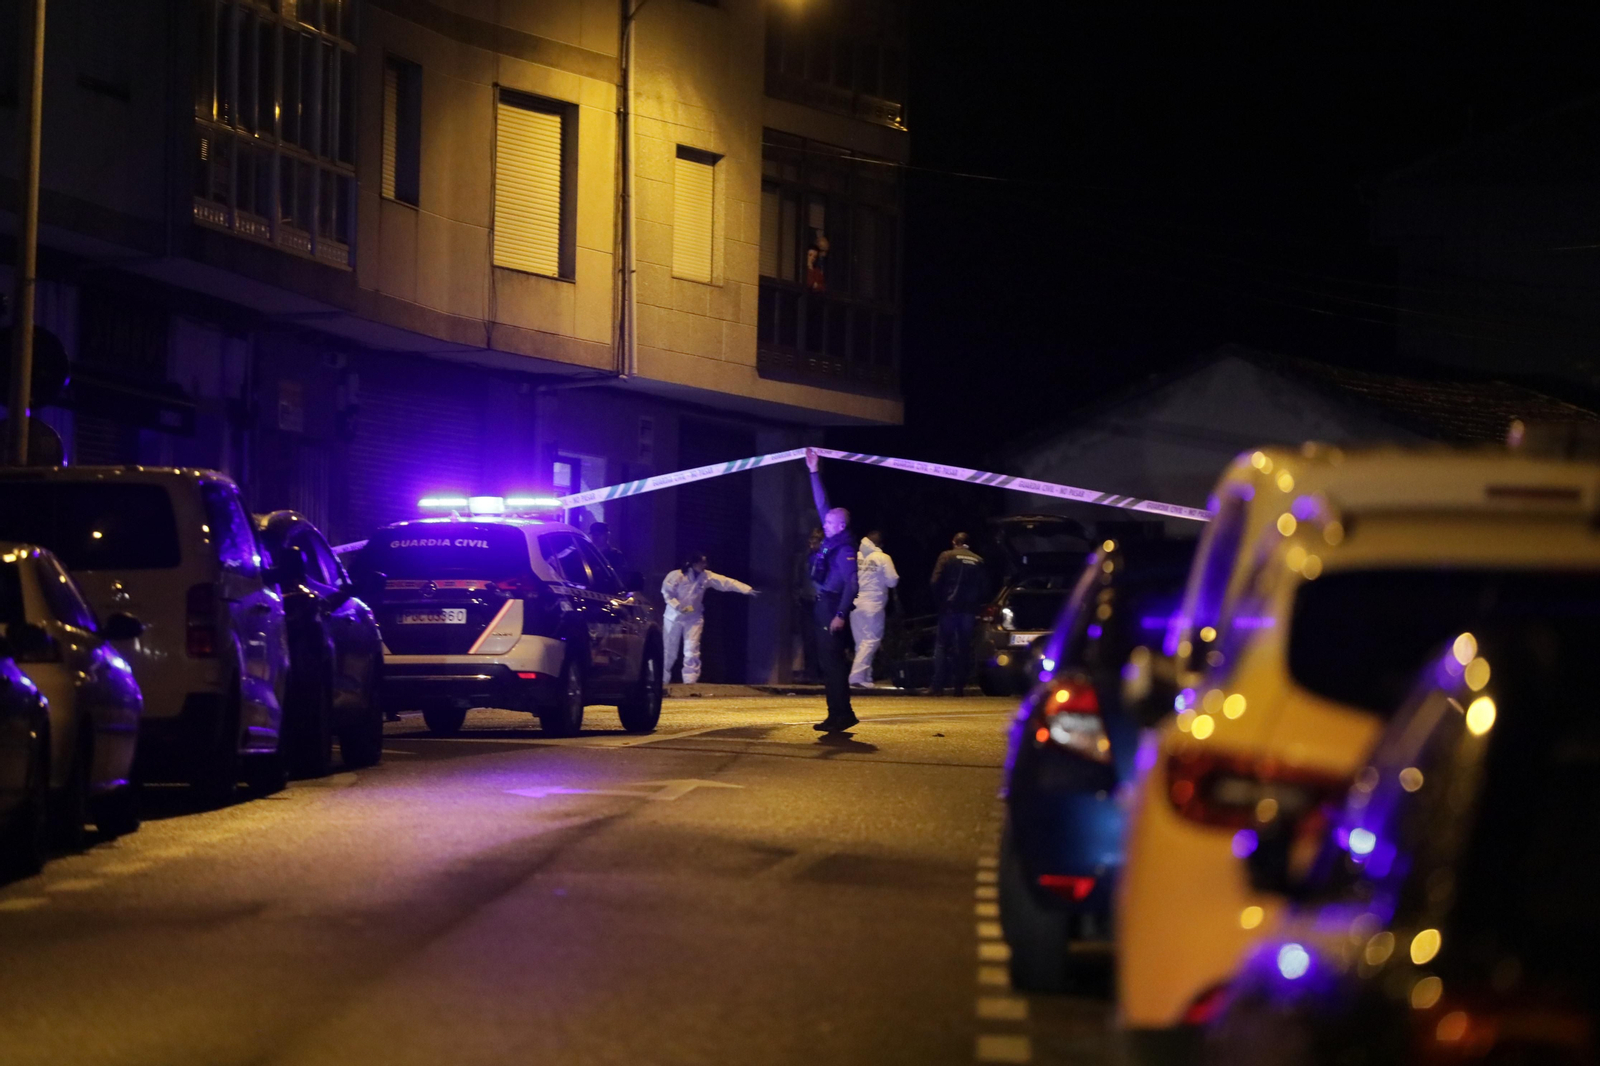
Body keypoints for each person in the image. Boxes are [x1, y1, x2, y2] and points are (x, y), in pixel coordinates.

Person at [805, 448, 859, 731]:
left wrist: (840, 613)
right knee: (827, 662)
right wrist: (814, 471)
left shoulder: (844, 548)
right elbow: (822, 503)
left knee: (833, 663)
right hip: (823, 603)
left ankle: (841, 713)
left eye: (829, 521)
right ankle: (836, 712)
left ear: (840, 525)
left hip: (832, 605)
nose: (824, 522)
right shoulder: (834, 539)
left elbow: (852, 583)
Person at [661, 551, 758, 685]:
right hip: (673, 617)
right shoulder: (676, 575)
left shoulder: (706, 576)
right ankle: (661, 682)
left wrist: (746, 589)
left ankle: (690, 683)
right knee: (669, 651)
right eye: (702, 562)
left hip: (693, 618)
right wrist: (677, 606)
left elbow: (725, 582)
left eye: (705, 562)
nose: (705, 565)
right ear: (693, 563)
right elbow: (667, 593)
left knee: (692, 650)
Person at [929, 531, 990, 697]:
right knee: (963, 647)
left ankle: (938, 686)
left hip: (949, 608)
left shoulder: (947, 556)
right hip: (968, 611)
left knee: (942, 645)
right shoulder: (978, 560)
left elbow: (935, 581)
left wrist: (940, 601)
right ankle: (959, 687)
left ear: (954, 541)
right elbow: (984, 587)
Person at [849, 529, 899, 687]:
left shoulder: (856, 557)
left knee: (861, 643)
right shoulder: (883, 558)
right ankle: (856, 676)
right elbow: (892, 581)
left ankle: (866, 677)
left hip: (855, 603)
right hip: (873, 603)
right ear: (880, 544)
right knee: (871, 640)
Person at [792, 527, 823, 682]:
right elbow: (797, 578)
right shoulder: (805, 557)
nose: (812, 544)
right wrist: (798, 595)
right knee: (808, 638)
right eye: (811, 540)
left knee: (821, 638)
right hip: (807, 600)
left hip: (821, 601)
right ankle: (811, 673)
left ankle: (820, 672)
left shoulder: (826, 557)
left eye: (815, 541)